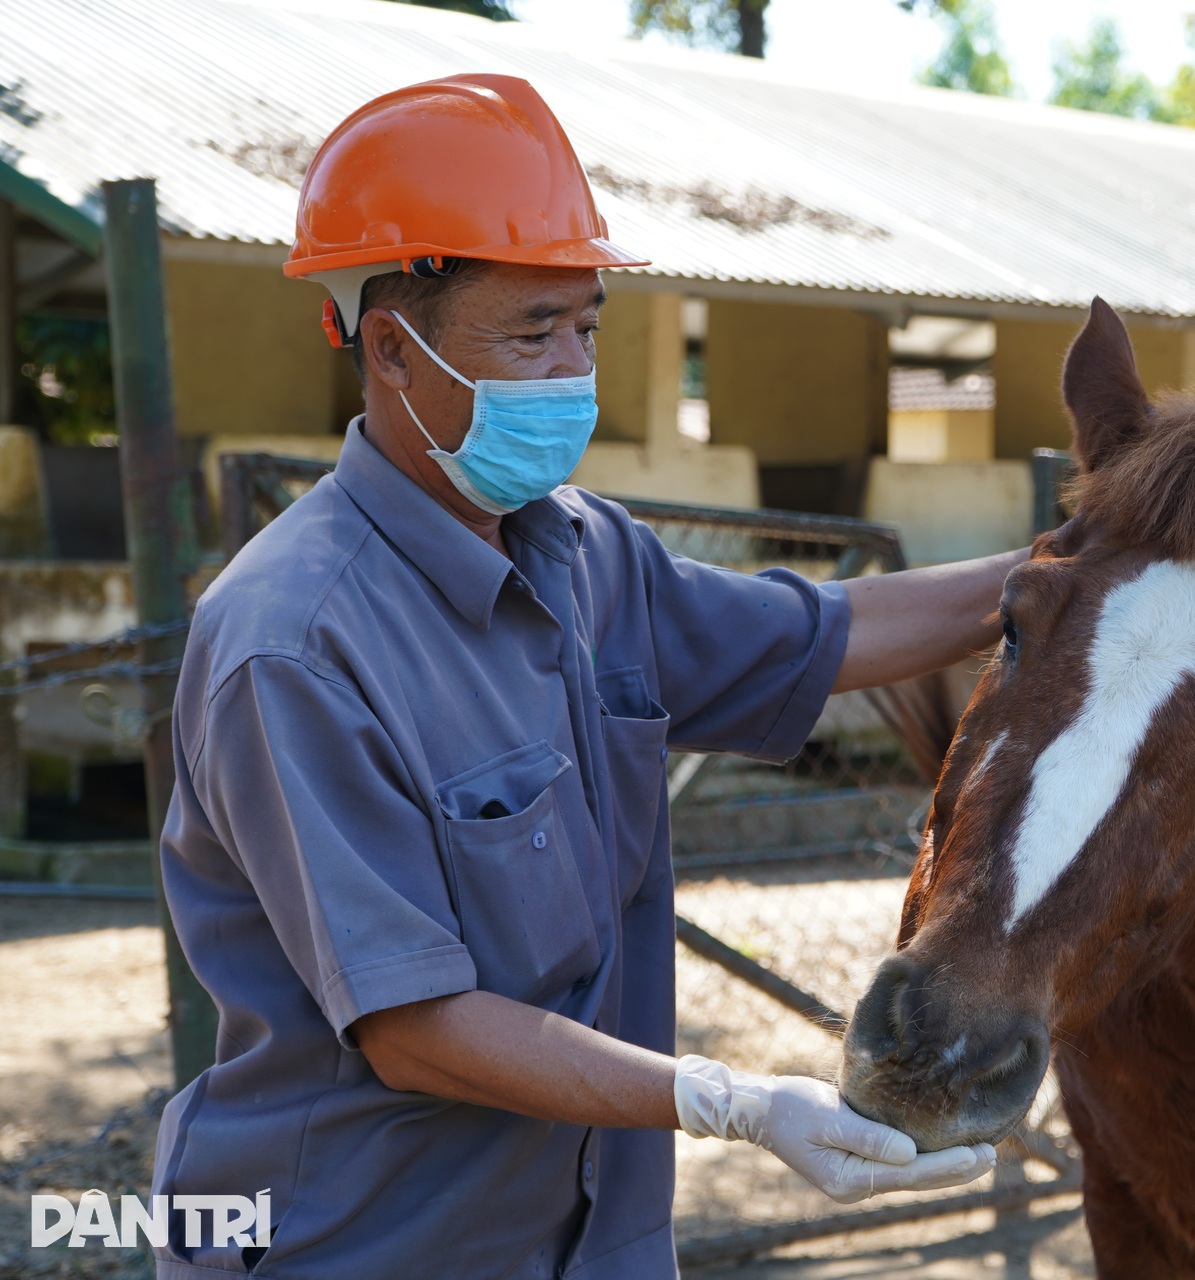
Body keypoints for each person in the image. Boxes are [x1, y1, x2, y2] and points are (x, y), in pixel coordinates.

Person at [151, 73, 1022, 1279]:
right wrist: (731, 1101)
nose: (572, 370)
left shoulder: (583, 550)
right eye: (530, 333)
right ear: (394, 352)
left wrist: (1065, 574)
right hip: (356, 1241)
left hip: (595, 1242)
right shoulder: (292, 642)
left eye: (587, 325)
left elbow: (818, 633)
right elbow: (416, 1028)